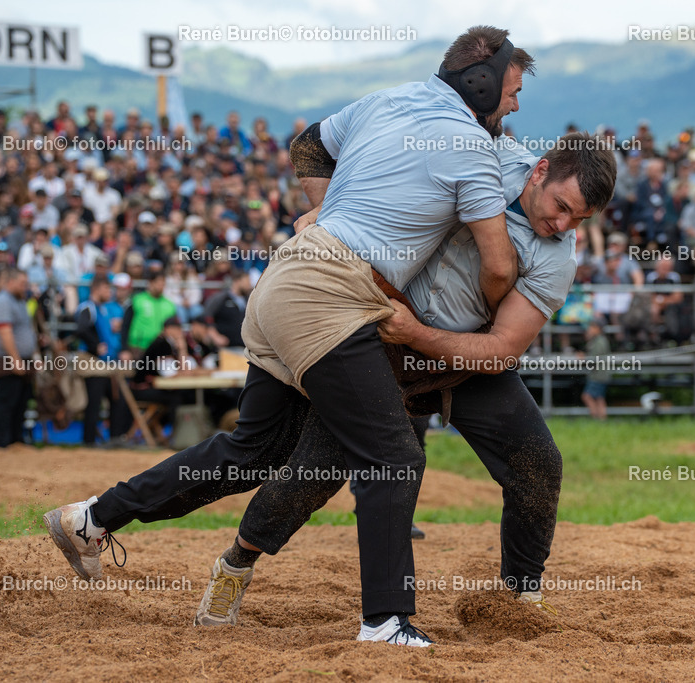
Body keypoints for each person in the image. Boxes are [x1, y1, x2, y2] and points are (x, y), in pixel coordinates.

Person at [44, 25, 534, 649]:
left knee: (254, 450)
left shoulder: (387, 99)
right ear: (482, 80)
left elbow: (306, 146)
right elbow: (496, 264)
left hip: (287, 274)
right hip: (333, 295)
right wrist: (496, 317)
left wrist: (327, 213)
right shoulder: (468, 142)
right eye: (512, 91)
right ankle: (385, 621)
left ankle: (90, 518)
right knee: (394, 457)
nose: (514, 106)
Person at [75, 277, 128, 446]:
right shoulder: (88, 307)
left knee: (115, 398)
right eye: (106, 289)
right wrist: (95, 345)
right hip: (92, 363)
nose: (110, 293)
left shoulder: (102, 309)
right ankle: (89, 440)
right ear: (97, 289)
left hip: (104, 364)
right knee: (94, 403)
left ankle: (114, 437)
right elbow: (81, 329)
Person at [0, 268, 36, 448]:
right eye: (23, 283)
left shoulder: (20, 301)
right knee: (6, 401)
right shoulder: (3, 301)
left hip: (22, 358)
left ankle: (16, 439)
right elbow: (5, 332)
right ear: (11, 281)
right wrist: (15, 360)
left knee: (20, 402)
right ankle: (1, 442)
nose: (26, 287)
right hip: (6, 359)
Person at [124, 271, 177, 351]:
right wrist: (125, 349)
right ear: (151, 282)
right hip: (139, 347)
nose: (161, 286)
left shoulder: (169, 305)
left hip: (161, 348)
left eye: (163, 283)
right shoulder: (138, 300)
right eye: (158, 283)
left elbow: (173, 327)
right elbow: (126, 324)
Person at [203, 271, 251, 346]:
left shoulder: (249, 300)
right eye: (247, 281)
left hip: (245, 347)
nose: (249, 285)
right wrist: (215, 336)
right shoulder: (220, 298)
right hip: (226, 347)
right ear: (237, 281)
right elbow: (207, 317)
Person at [581, 320, 611, 420]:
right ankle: (602, 419)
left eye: (591, 327)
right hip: (601, 374)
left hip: (598, 375)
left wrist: (583, 358)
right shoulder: (599, 340)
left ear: (598, 329)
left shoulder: (599, 341)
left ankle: (595, 418)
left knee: (587, 396)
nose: (589, 330)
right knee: (599, 398)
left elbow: (594, 359)